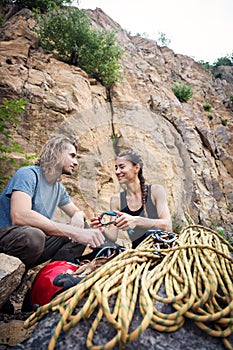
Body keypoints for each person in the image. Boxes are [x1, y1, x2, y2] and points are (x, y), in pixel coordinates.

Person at [0, 135, 105, 269]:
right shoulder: (28, 174)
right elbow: (20, 215)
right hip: (10, 236)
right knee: (35, 236)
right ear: (57, 153)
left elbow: (77, 212)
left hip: (36, 243)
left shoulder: (58, 189)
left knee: (83, 228)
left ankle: (55, 275)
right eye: (72, 156)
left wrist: (78, 215)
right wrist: (72, 231)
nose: (76, 162)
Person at [91, 150, 172, 248]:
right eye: (116, 168)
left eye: (122, 167)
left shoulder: (156, 191)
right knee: (106, 246)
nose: (117, 172)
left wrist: (136, 221)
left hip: (160, 247)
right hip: (137, 252)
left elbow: (167, 226)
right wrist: (102, 229)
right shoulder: (116, 200)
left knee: (152, 233)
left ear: (136, 168)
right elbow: (113, 236)